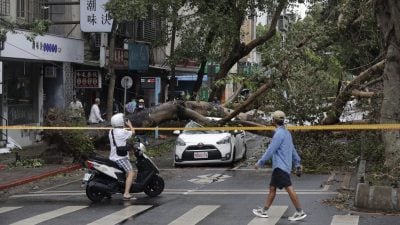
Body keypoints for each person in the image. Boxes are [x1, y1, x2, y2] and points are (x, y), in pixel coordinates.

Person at [253, 110, 307, 221]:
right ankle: (264, 210)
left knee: (288, 188)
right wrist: (297, 162)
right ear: (283, 120)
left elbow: (270, 150)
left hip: (280, 166)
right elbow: (292, 149)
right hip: (284, 166)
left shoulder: (278, 134)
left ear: (273, 121)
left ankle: (299, 211)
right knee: (272, 188)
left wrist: (260, 162)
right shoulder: (287, 133)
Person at [109, 113, 136, 200]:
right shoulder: (123, 132)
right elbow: (133, 132)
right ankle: (126, 193)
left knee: (126, 173)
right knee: (131, 172)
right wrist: (130, 125)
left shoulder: (111, 131)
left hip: (112, 157)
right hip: (120, 158)